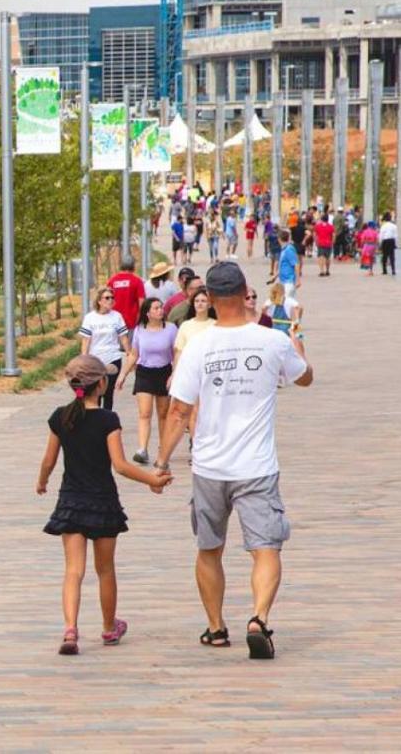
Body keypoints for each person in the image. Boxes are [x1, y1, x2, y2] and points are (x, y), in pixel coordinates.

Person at [156, 261, 313, 660]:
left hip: (209, 466)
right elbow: (305, 377)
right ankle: (258, 618)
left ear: (207, 296)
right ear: (246, 292)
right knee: (267, 548)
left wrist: (160, 462)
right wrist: (299, 349)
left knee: (209, 548)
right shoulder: (271, 340)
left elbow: (178, 410)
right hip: (256, 466)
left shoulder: (198, 346)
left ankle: (216, 627)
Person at [36, 354, 173, 655]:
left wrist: (42, 482)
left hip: (71, 501)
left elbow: (48, 460)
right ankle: (109, 628)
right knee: (105, 570)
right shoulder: (107, 419)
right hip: (102, 503)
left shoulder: (60, 417)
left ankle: (70, 629)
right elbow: (120, 465)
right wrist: (152, 479)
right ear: (101, 384)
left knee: (73, 570)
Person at [117, 298, 178, 465]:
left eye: (161, 307)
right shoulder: (139, 330)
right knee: (144, 413)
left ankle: (163, 447)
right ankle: (142, 449)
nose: (160, 310)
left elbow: (176, 354)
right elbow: (134, 355)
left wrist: (175, 374)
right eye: (156, 308)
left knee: (163, 414)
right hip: (144, 373)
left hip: (164, 372)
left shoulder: (171, 329)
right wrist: (123, 374)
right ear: (148, 313)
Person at [79, 287, 131, 412]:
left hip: (113, 358)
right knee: (96, 392)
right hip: (95, 359)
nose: (111, 300)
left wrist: (129, 354)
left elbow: (123, 338)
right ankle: (95, 418)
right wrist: (83, 359)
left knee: (108, 391)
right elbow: (86, 340)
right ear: (99, 301)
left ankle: (107, 419)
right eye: (107, 298)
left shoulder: (117, 317)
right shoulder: (90, 318)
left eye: (112, 298)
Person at [107, 258, 146, 341]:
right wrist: (141, 318)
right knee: (130, 350)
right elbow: (141, 302)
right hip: (132, 322)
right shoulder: (137, 281)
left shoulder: (112, 281)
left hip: (114, 322)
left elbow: (106, 300)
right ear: (133, 267)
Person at [173, 287, 214, 359]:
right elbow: (179, 351)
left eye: (203, 301)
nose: (199, 303)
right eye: (197, 301)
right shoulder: (185, 325)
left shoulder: (216, 324)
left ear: (209, 304)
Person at [276, 229, 300, 298]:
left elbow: (296, 264)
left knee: (287, 302)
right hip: (283, 281)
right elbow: (283, 265)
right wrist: (275, 276)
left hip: (289, 281)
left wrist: (298, 280)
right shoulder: (284, 249)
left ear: (279, 239)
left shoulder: (288, 249)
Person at [314, 212, 334, 277]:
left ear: (322, 219)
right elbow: (333, 235)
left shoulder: (317, 226)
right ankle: (327, 270)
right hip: (328, 243)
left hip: (320, 243)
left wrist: (316, 242)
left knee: (321, 257)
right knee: (328, 257)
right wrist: (332, 242)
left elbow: (315, 235)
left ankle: (322, 271)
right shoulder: (331, 226)